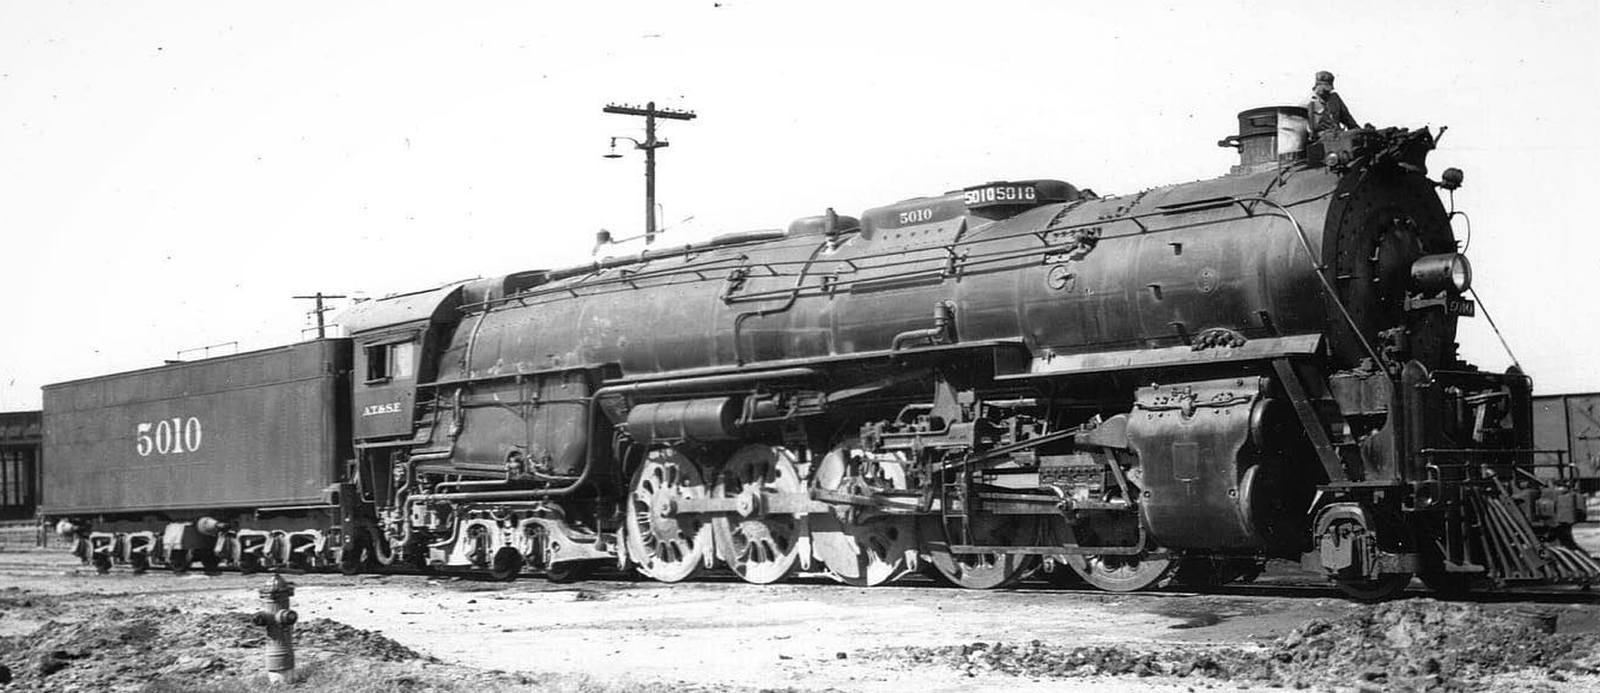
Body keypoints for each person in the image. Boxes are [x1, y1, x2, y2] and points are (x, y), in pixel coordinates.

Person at [1304, 70, 1359, 136]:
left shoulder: (1334, 99)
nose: (1328, 92)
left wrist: (1359, 131)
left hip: (1337, 136)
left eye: (1329, 90)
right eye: (1325, 90)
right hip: (1319, 141)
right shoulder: (1308, 102)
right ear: (1317, 86)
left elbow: (1348, 119)